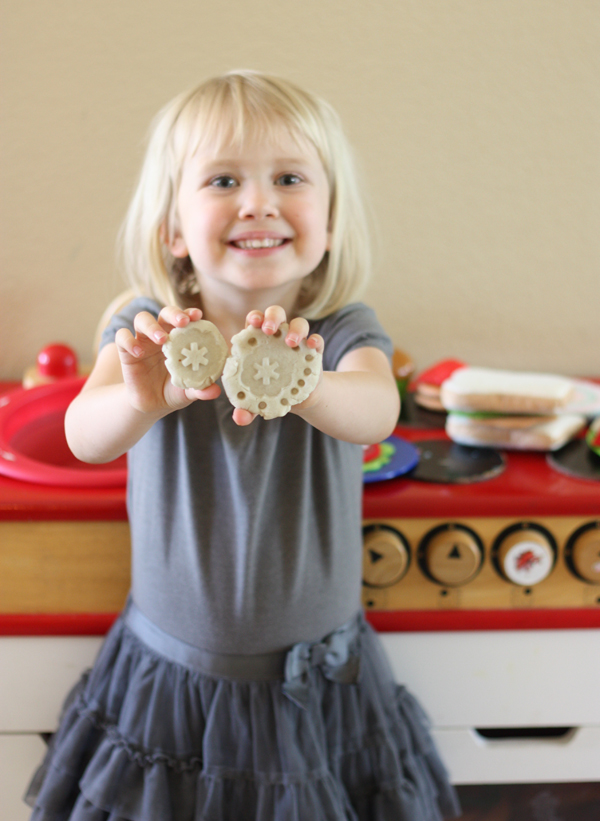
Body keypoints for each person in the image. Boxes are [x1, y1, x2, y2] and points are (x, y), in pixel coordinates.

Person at [26, 70, 460, 821]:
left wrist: (306, 385)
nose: (257, 201)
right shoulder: (146, 329)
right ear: (173, 229)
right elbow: (83, 435)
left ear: (328, 219)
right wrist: (138, 399)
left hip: (319, 686)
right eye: (224, 179)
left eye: (289, 178)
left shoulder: (340, 330)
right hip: (171, 680)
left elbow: (377, 409)